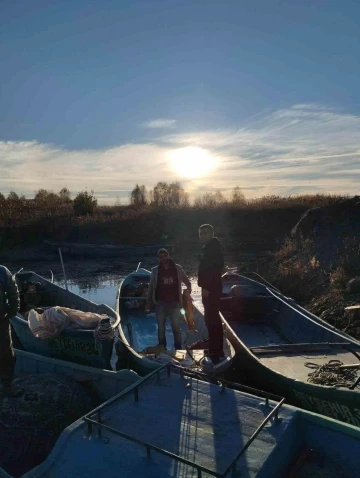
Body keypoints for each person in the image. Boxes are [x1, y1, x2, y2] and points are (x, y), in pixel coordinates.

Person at [146, 249, 192, 350]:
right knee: (161, 328)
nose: (163, 259)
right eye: (161, 257)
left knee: (176, 327)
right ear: (158, 259)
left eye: (165, 256)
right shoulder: (155, 270)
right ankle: (162, 347)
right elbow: (151, 287)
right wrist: (148, 301)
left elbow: (187, 282)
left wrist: (188, 292)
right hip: (160, 303)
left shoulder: (178, 268)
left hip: (175, 303)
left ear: (168, 255)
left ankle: (178, 347)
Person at [197, 224, 225, 364]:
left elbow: (214, 270)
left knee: (212, 319)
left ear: (212, 234)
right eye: (201, 233)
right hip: (210, 287)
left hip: (211, 288)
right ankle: (214, 348)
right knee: (210, 318)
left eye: (205, 233)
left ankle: (216, 351)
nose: (202, 235)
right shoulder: (209, 247)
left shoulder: (213, 249)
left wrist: (206, 287)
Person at [0, 265, 23, 397]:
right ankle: (7, 386)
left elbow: (13, 294)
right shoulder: (3, 271)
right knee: (6, 355)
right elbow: (13, 294)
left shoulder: (2, 271)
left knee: (7, 355)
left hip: (1, 321)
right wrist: (13, 310)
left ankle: (7, 385)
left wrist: (13, 310)